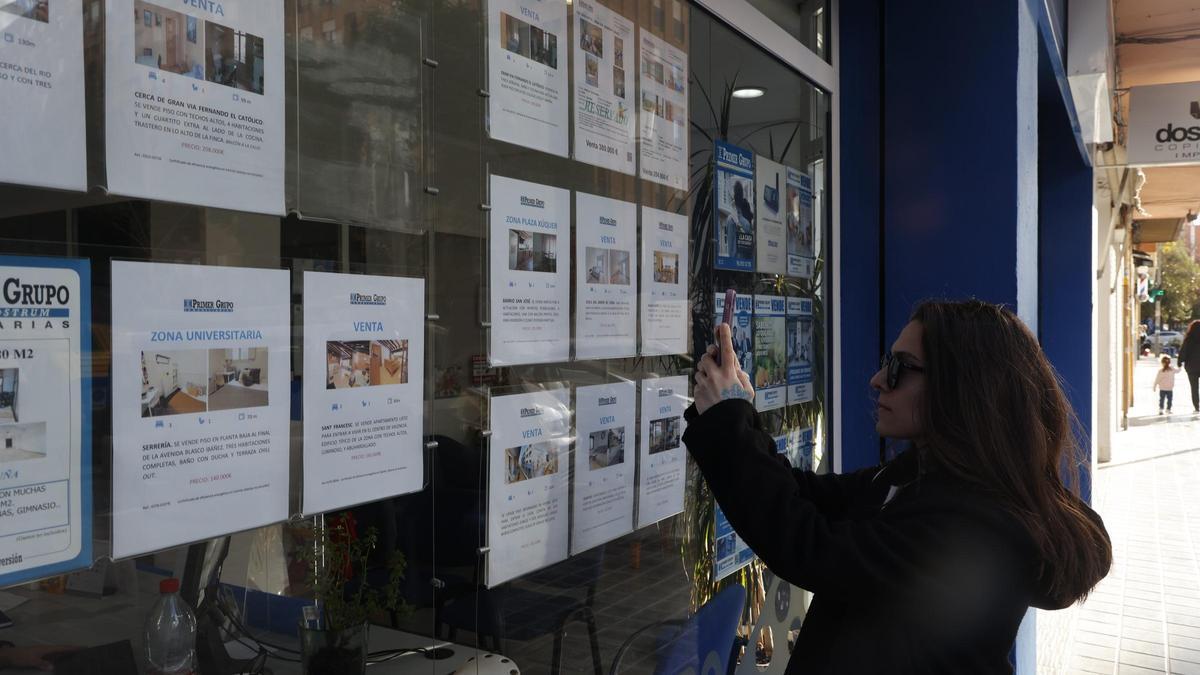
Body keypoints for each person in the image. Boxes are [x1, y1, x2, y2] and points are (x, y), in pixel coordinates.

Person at [687, 299, 1111, 674]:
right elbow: (808, 496)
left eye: (899, 368)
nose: (877, 379)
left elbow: (809, 547)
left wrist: (730, 423)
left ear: (962, 386)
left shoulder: (974, 525)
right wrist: (736, 414)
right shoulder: (923, 476)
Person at [1177, 320, 1200, 414]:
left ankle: (1197, 406)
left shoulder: (1189, 339)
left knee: (1194, 387)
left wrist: (1179, 361)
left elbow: (1183, 351)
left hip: (1191, 367)